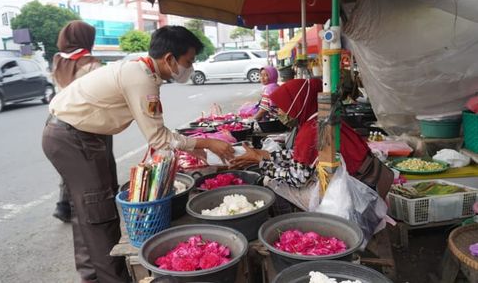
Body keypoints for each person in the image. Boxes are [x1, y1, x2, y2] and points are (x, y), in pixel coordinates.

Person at [42, 26, 234, 283]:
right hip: (74, 138)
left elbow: (159, 133)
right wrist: (207, 143)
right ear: (169, 58)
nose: (190, 68)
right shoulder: (140, 76)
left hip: (82, 134)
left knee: (87, 210)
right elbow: (158, 138)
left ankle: (91, 276)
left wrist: (195, 146)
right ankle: (113, 278)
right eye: (188, 62)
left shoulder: (142, 71)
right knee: (99, 213)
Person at [230, 78, 393, 213]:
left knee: (269, 181)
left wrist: (262, 164)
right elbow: (304, 158)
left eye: (282, 107)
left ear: (296, 103)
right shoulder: (322, 119)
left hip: (355, 193)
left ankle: (289, 221)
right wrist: (266, 155)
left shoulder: (310, 130)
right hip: (371, 179)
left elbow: (297, 178)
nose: (278, 112)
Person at [51, 20, 112, 224]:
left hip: (60, 118)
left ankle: (63, 205)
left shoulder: (58, 60)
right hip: (89, 120)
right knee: (101, 160)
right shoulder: (90, 63)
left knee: (71, 165)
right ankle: (106, 200)